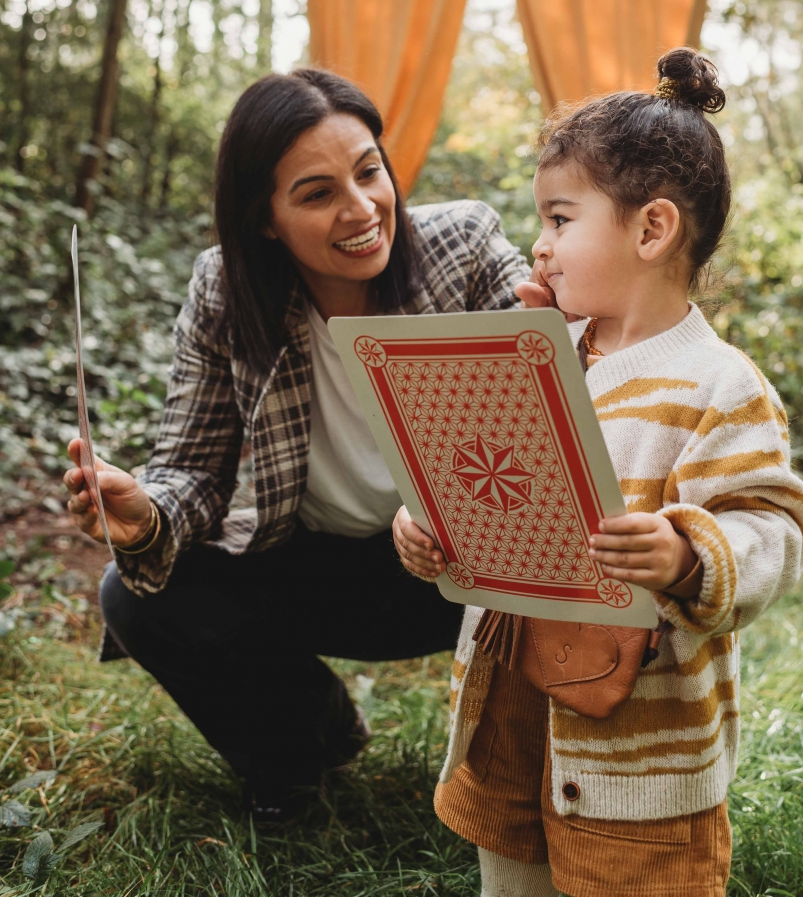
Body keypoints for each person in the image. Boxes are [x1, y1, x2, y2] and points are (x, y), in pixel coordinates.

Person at [394, 48, 803, 897]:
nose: (539, 248)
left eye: (559, 220)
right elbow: (492, 480)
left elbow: (775, 528)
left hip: (640, 756)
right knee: (510, 874)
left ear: (651, 229)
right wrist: (433, 523)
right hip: (509, 701)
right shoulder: (543, 356)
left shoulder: (719, 386)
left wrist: (689, 553)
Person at [63, 67, 530, 825]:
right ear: (265, 219)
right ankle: (299, 745)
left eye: (369, 172)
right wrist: (144, 514)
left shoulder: (465, 244)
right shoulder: (224, 291)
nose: (360, 210)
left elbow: (562, 374)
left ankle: (548, 769)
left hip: (465, 566)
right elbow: (193, 467)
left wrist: (562, 319)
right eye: (316, 194)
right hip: (317, 566)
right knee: (133, 596)